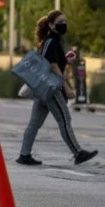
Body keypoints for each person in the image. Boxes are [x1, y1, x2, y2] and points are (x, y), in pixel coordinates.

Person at [17, 10, 98, 166]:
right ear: (52, 25)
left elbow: (53, 62)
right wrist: (66, 87)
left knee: (34, 123)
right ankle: (78, 153)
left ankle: (24, 154)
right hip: (51, 88)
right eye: (61, 22)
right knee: (64, 120)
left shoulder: (50, 42)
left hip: (43, 88)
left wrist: (66, 60)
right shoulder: (52, 42)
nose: (64, 25)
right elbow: (53, 66)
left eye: (65, 21)